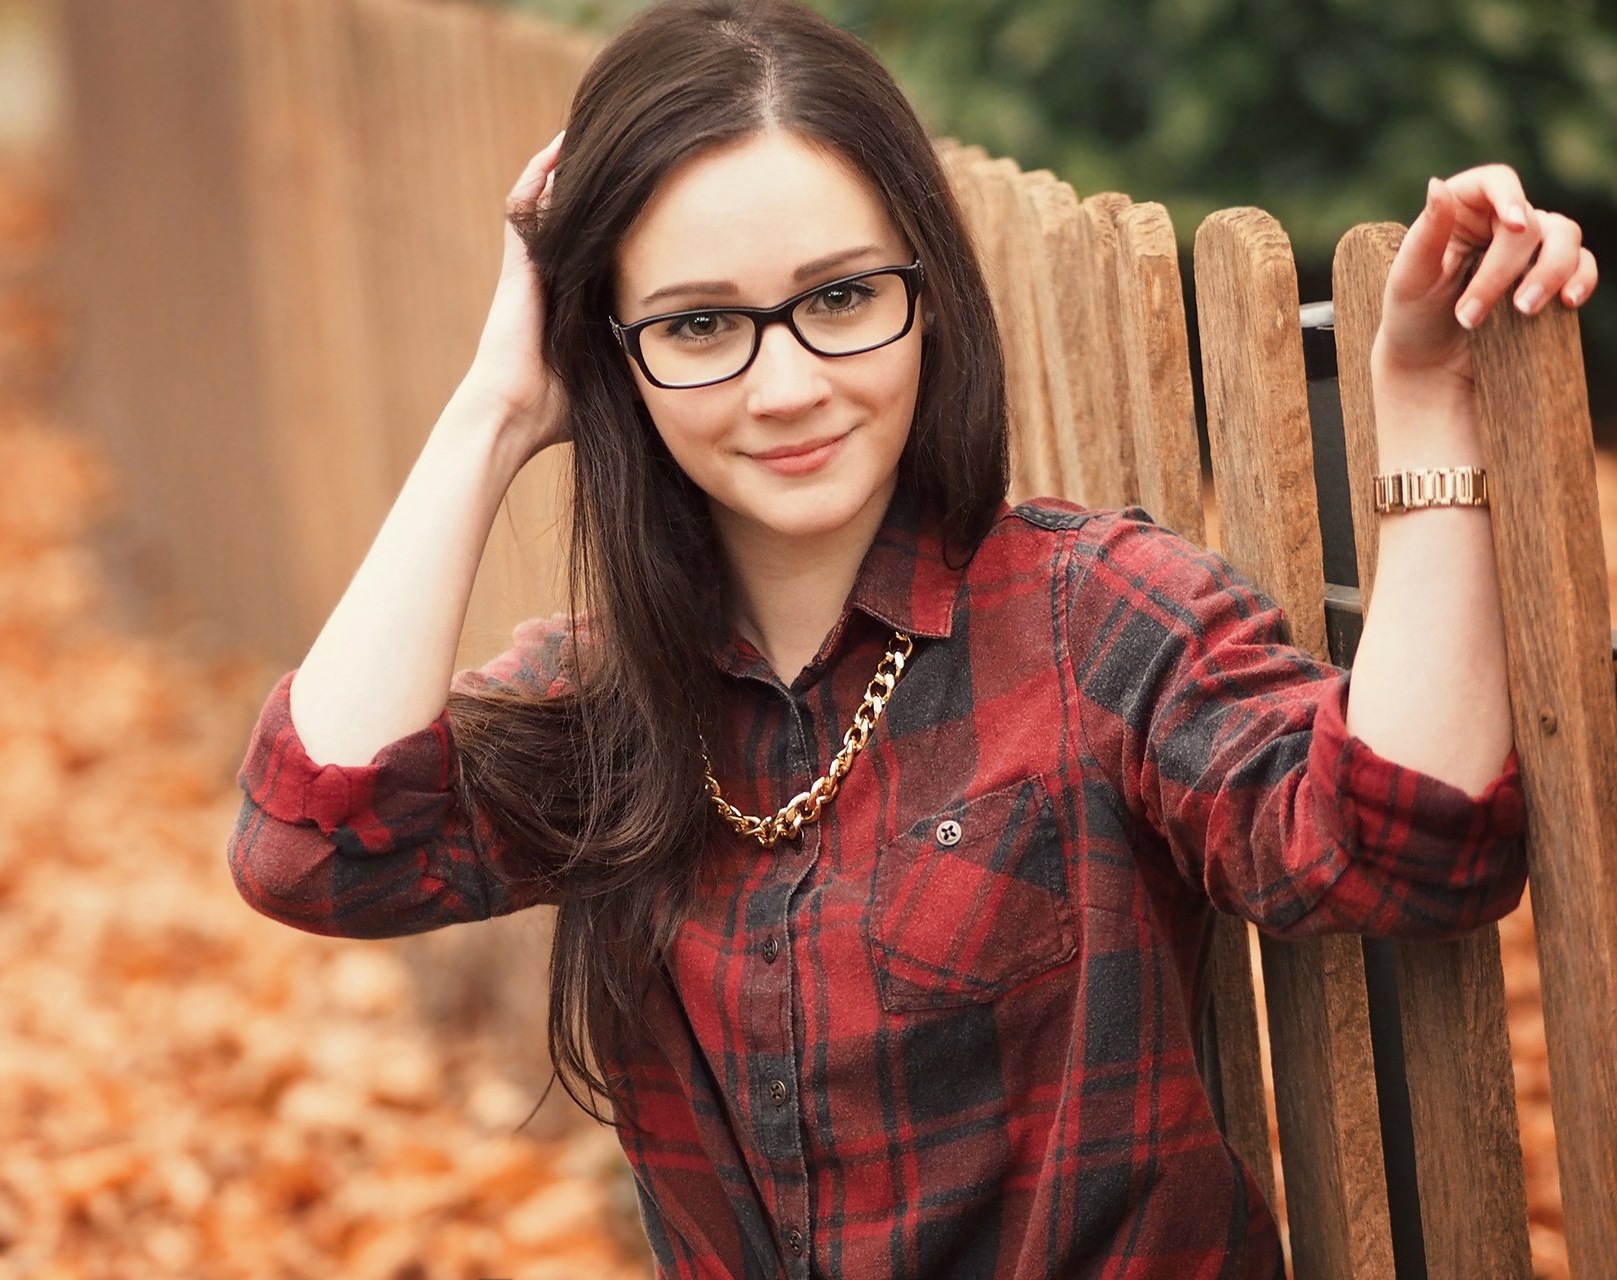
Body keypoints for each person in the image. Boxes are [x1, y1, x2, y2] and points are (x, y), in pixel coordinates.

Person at [225, 0, 1598, 1273]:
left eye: (838, 299)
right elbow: (312, 849)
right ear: (617, 357)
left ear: (925, 292)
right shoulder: (615, 697)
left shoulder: (1090, 618)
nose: (785, 386)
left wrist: (1420, 406)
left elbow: (1401, 847)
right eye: (700, 325)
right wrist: (496, 409)